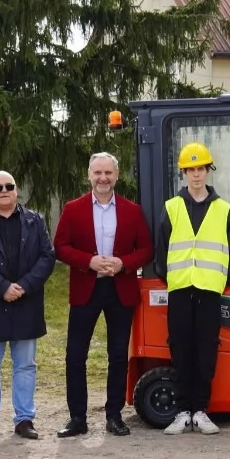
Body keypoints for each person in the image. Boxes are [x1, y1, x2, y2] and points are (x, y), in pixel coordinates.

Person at [53, 152, 154, 438]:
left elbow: (146, 249)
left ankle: (114, 416)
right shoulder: (73, 209)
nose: (103, 178)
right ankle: (77, 418)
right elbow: (60, 246)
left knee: (117, 356)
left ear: (117, 176)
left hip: (120, 288)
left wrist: (124, 263)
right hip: (86, 287)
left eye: (108, 173)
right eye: (98, 173)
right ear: (89, 175)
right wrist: (89, 261)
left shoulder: (132, 211)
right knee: (75, 356)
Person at [0, 170, 56, 440]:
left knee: (25, 366)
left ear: (16, 190)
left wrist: (24, 286)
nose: (4, 190)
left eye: (9, 186)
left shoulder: (35, 220)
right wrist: (2, 287)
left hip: (26, 304)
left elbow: (47, 257)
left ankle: (24, 419)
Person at [154, 142, 230, 435]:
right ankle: (182, 412)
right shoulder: (172, 207)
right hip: (179, 289)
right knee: (180, 349)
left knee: (205, 350)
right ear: (184, 173)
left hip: (209, 291)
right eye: (190, 170)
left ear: (208, 171)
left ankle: (201, 410)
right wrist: (173, 279)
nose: (196, 175)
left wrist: (219, 281)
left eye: (200, 168)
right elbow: (161, 251)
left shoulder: (222, 209)